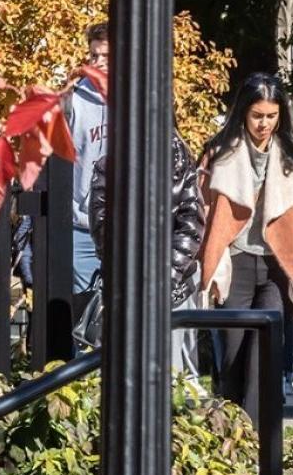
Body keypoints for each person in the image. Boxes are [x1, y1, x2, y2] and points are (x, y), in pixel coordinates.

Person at [198, 73, 293, 427]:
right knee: (233, 353)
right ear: (243, 111)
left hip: (278, 264)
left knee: (264, 353)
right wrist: (209, 257)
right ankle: (227, 430)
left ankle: (256, 436)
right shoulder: (219, 154)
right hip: (235, 260)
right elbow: (203, 210)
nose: (264, 124)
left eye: (272, 116)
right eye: (258, 115)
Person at [88, 128, 206, 381]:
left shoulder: (182, 164)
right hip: (125, 287)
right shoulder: (109, 166)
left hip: (173, 288)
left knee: (172, 377)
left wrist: (165, 278)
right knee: (119, 373)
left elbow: (191, 225)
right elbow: (102, 227)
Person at [66, 23, 112, 293]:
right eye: (94, 56)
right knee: (85, 319)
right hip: (82, 226)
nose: (99, 63)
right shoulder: (75, 99)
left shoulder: (138, 99)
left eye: (107, 56)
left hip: (125, 226)